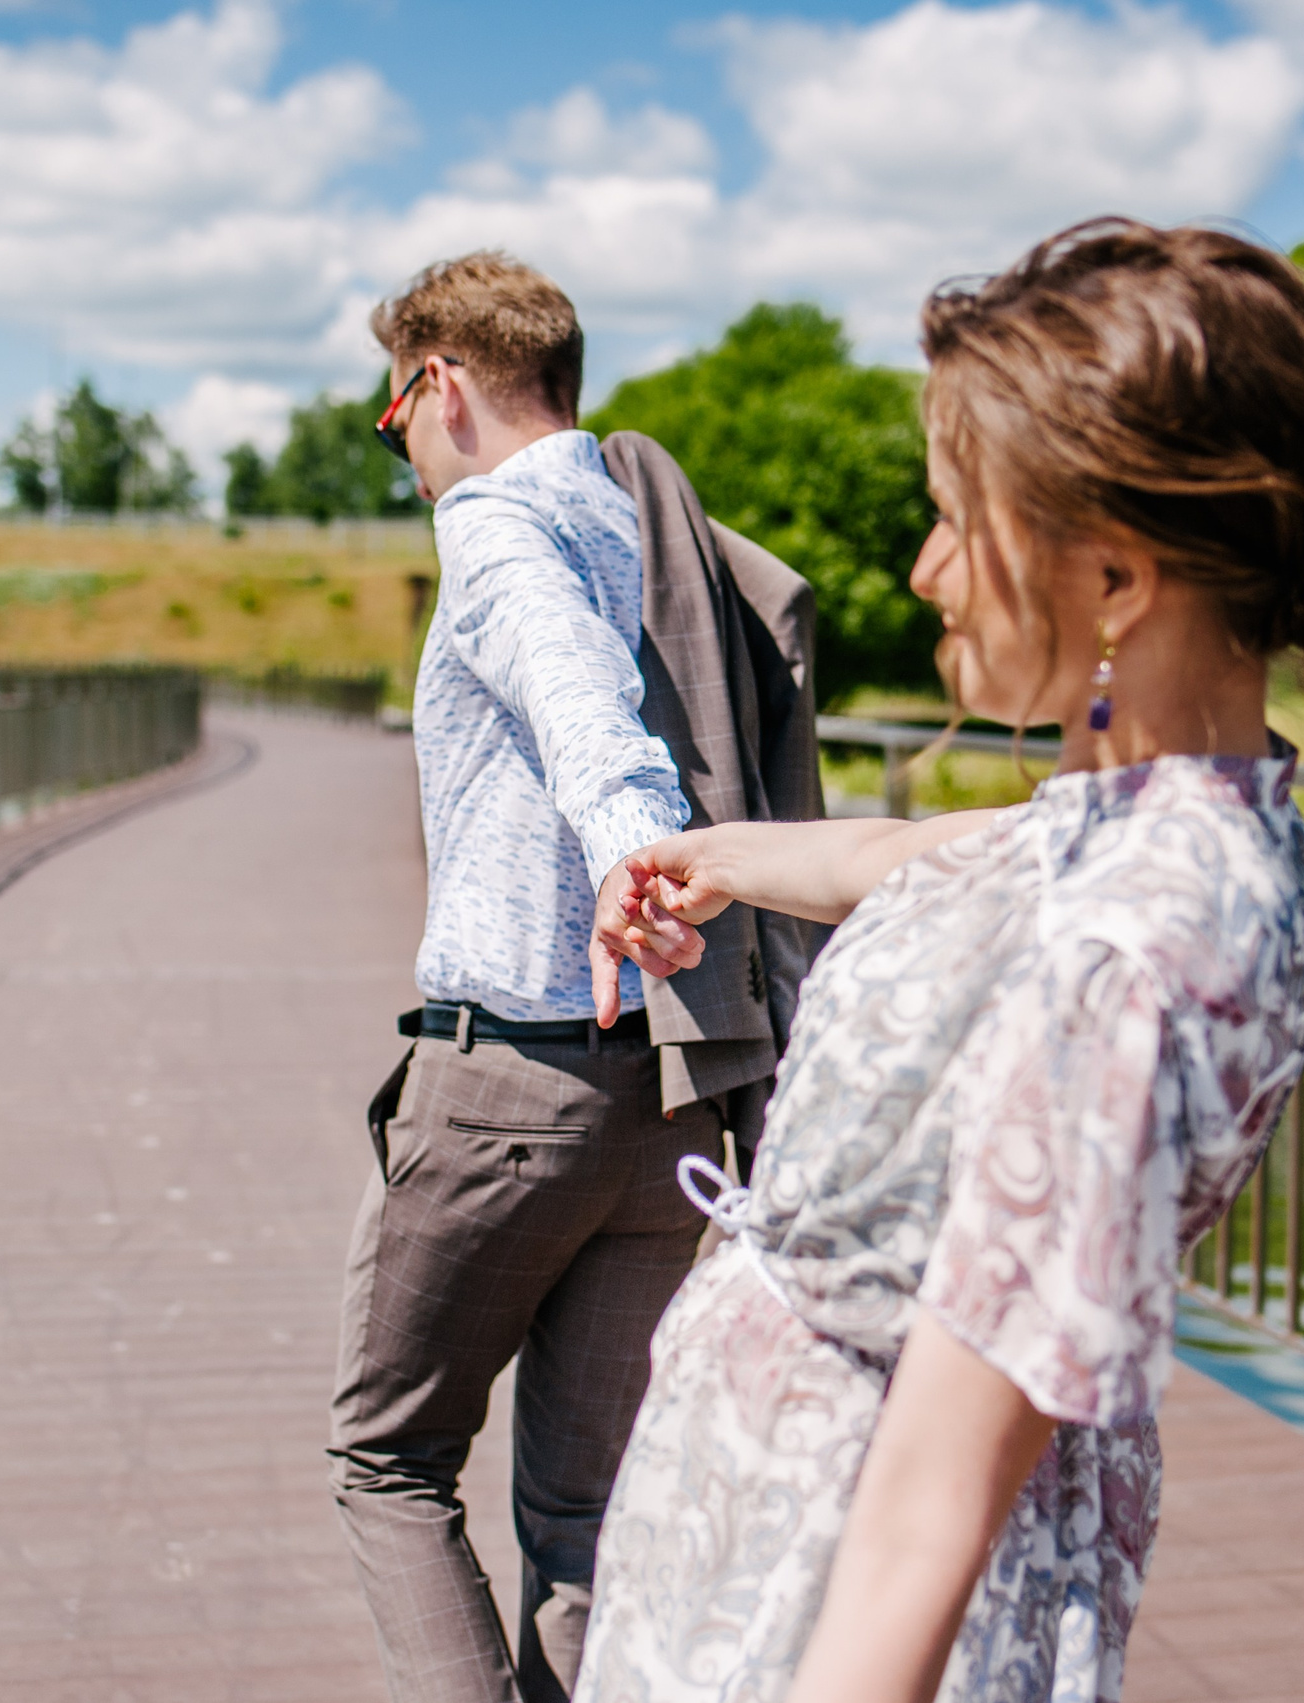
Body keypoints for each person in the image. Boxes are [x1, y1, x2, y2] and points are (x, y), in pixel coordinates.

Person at [575, 218, 1304, 1703]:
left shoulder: (1137, 947)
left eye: (959, 519)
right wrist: (715, 858)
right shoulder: (1152, 812)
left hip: (819, 1597)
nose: (923, 567)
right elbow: (929, 863)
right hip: (764, 1534)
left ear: (1118, 584)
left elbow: (937, 1500)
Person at [327, 251, 818, 1703]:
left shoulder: (496, 526)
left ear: (444, 385)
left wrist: (634, 856)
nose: (403, 450)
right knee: (584, 1519)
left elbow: (571, 693)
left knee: (390, 1459)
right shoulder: (657, 536)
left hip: (508, 1086)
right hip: (667, 1090)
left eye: (391, 414)